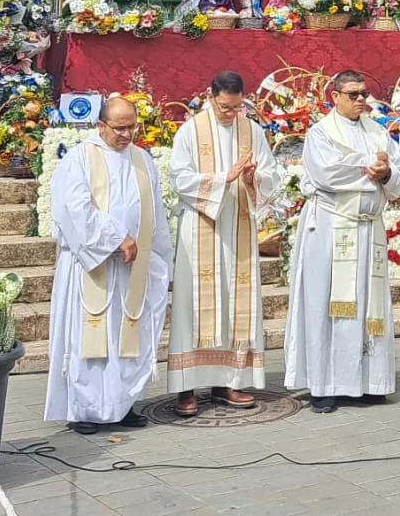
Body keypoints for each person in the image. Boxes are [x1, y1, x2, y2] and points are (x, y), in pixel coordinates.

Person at [44, 96, 174, 434]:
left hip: (131, 267)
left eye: (132, 126)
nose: (127, 134)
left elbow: (154, 213)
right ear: (100, 125)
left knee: (127, 331)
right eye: (119, 128)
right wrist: (116, 238)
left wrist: (157, 258)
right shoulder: (80, 159)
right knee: (91, 334)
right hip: (92, 266)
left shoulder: (143, 160)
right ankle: (86, 410)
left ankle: (120, 404)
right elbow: (73, 210)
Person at [286, 72, 400, 412]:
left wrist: (387, 174)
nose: (360, 100)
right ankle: (324, 385)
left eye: (364, 93)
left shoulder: (377, 131)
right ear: (335, 96)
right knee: (327, 304)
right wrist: (372, 167)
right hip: (332, 230)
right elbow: (327, 173)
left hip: (369, 231)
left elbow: (397, 170)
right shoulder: (320, 132)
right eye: (353, 94)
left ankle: (370, 382)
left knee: (370, 304)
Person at [167, 72, 283, 417]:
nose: (230, 114)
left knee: (236, 304)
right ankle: (185, 386)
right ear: (210, 96)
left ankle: (229, 382)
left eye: (236, 107)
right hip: (200, 228)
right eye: (224, 107)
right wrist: (223, 179)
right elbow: (180, 178)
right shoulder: (190, 130)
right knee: (192, 308)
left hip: (239, 227)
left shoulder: (252, 131)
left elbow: (272, 175)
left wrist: (253, 179)